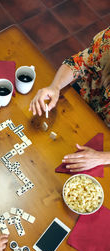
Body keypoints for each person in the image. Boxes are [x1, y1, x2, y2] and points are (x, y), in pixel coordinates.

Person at [29, 26, 110, 172]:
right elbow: (80, 62)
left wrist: (103, 157)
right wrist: (55, 86)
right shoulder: (108, 39)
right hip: (82, 102)